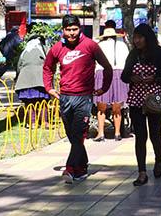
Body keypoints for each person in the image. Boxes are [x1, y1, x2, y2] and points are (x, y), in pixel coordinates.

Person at [42, 15, 114, 184]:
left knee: (79, 133)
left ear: (80, 29)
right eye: (68, 30)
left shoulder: (90, 45)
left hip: (84, 97)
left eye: (75, 29)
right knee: (72, 136)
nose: (72, 33)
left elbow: (107, 67)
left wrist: (104, 88)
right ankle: (81, 167)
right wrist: (49, 88)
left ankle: (69, 169)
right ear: (63, 30)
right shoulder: (57, 48)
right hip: (65, 98)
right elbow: (47, 68)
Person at [121, 24, 161, 186]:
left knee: (155, 134)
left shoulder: (160, 53)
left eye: (140, 37)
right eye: (135, 38)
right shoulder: (133, 54)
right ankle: (142, 172)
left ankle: (158, 160)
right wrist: (132, 78)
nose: (137, 41)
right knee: (140, 136)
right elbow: (124, 75)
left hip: (155, 98)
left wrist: (156, 78)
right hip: (136, 99)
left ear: (147, 38)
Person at [94, 20, 130, 141]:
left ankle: (100, 133)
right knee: (117, 107)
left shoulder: (99, 45)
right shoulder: (122, 45)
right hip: (119, 74)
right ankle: (117, 133)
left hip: (102, 73)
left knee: (101, 107)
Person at [14, 29, 49, 127]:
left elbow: (19, 66)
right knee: (43, 101)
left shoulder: (25, 51)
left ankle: (32, 123)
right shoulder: (44, 49)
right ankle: (45, 122)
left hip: (25, 80)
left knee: (29, 102)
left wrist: (18, 77)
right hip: (40, 80)